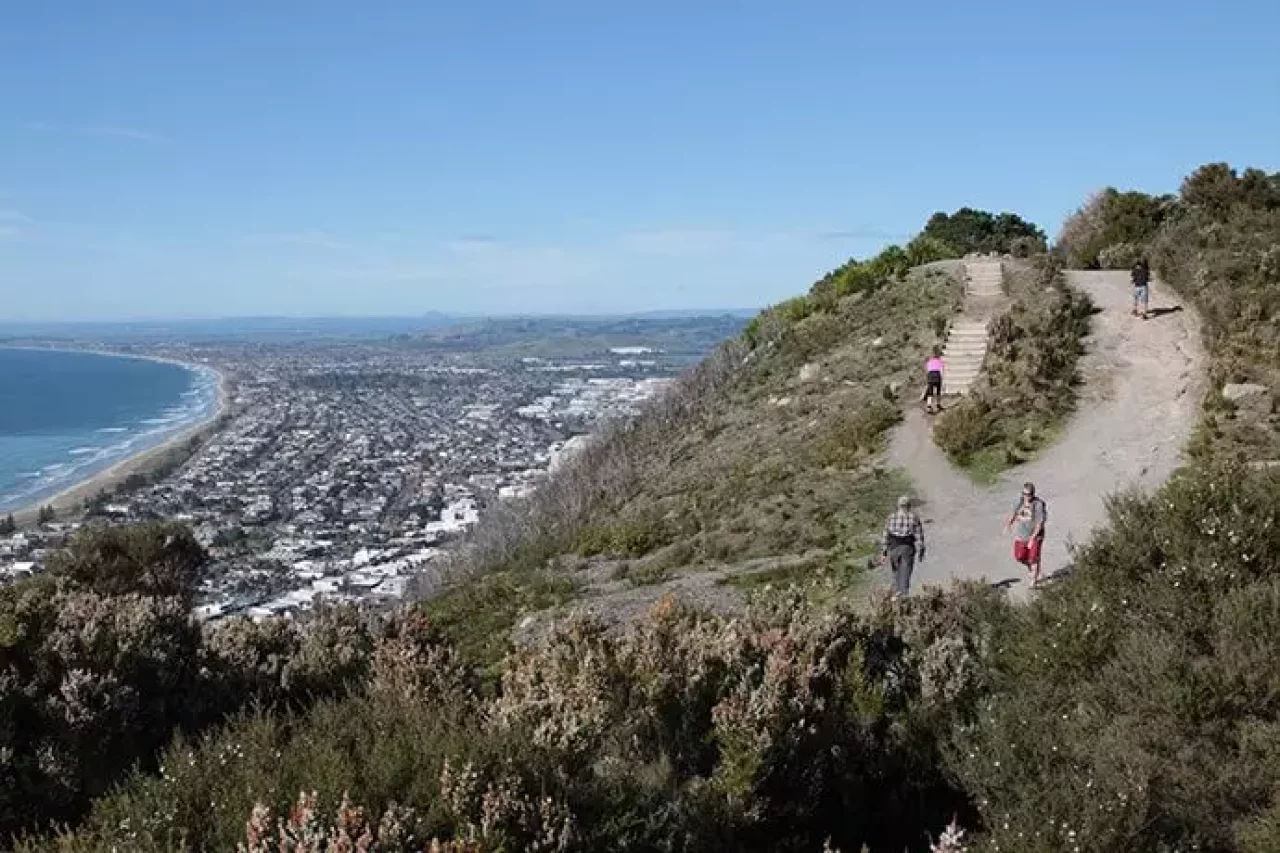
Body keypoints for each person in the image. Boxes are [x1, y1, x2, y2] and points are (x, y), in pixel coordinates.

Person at [1003, 481, 1047, 587]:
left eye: (1028, 494)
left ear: (1033, 494)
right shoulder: (1020, 502)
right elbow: (1014, 513)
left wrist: (1032, 538)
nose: (1026, 496)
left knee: (1033, 558)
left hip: (1035, 535)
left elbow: (1039, 524)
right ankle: (1032, 567)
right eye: (1024, 494)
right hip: (1021, 535)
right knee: (1019, 556)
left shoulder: (1038, 504)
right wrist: (1008, 525)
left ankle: (1033, 582)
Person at [880, 495, 925, 597]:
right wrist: (921, 552)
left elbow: (885, 535)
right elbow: (919, 537)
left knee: (896, 575)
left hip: (894, 548)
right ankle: (903, 598)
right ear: (909, 506)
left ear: (898, 505)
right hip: (907, 549)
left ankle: (895, 596)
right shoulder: (914, 517)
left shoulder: (891, 517)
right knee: (905, 576)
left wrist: (883, 553)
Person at [921, 347, 945, 413]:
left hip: (930, 376)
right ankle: (938, 405)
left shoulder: (929, 362)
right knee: (938, 392)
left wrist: (928, 378)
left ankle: (929, 406)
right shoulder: (940, 361)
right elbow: (941, 371)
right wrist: (942, 379)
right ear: (938, 356)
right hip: (937, 376)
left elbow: (927, 370)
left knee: (930, 393)